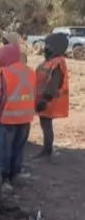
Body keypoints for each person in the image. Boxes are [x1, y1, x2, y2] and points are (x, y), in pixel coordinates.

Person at [0, 43, 35, 190]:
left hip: (8, 119)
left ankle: (2, 181)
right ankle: (15, 175)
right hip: (26, 118)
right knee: (18, 149)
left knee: (2, 150)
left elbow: (1, 98)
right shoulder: (31, 71)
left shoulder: (5, 73)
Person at [33, 33, 69, 161]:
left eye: (47, 45)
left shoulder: (57, 63)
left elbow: (53, 84)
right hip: (43, 98)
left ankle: (47, 152)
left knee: (46, 125)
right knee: (45, 125)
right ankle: (46, 150)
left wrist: (44, 100)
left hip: (48, 100)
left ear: (55, 47)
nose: (45, 47)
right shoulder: (50, 61)